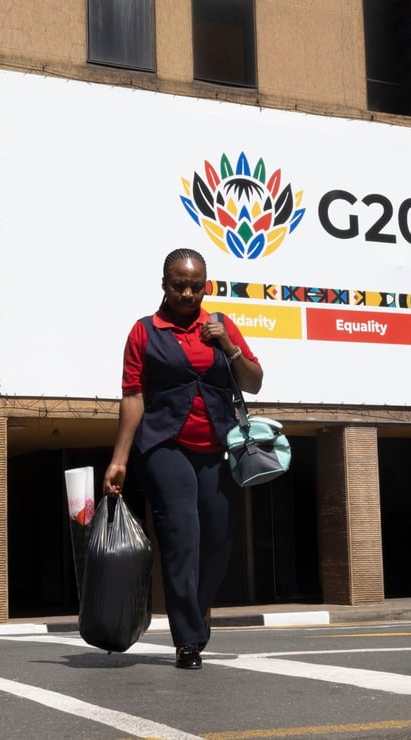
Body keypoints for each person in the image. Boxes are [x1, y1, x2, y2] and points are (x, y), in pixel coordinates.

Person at [103, 248, 263, 669]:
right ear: (164, 284)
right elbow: (133, 396)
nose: (187, 292)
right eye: (179, 284)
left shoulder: (222, 326)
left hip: (216, 447)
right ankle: (187, 639)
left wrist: (226, 345)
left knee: (218, 540)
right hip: (164, 446)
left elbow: (255, 381)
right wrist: (119, 458)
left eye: (195, 285)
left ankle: (199, 607)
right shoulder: (144, 332)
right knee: (181, 538)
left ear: (206, 286)